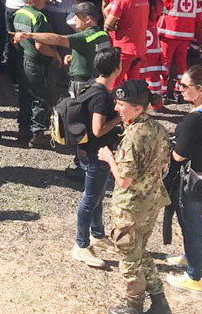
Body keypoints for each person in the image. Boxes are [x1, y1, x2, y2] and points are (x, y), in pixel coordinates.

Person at [98, 80, 172, 314]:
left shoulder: (133, 137)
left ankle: (133, 306)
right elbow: (164, 164)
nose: (116, 108)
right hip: (151, 202)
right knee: (138, 250)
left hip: (131, 207)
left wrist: (109, 158)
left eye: (121, 105)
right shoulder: (158, 128)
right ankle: (159, 301)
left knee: (129, 258)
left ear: (138, 108)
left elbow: (123, 180)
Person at [164, 66, 202, 295]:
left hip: (188, 178)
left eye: (184, 86)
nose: (179, 89)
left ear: (201, 90)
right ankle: (190, 256)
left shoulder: (193, 118)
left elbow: (179, 156)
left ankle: (194, 276)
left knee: (191, 224)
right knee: (191, 219)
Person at [70, 48, 122, 269]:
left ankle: (97, 235)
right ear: (116, 69)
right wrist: (119, 118)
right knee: (90, 199)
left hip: (87, 151)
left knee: (98, 195)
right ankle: (81, 245)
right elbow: (98, 129)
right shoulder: (101, 96)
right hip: (96, 154)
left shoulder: (92, 85)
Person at [12, 0, 61, 148]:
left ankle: (23, 129)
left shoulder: (18, 14)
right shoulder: (38, 17)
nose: (45, 0)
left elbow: (15, 40)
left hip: (23, 59)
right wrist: (55, 54)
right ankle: (38, 133)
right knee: (41, 97)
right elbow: (41, 46)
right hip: (36, 62)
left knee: (25, 95)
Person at [159, 0, 200, 101]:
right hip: (186, 36)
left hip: (169, 35)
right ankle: (180, 90)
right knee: (182, 63)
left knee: (165, 62)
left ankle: (163, 91)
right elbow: (199, 16)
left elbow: (158, 8)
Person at [105, 0, 149, 84]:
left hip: (123, 48)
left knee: (114, 82)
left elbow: (107, 24)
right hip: (139, 48)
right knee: (133, 83)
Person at [133, 0, 164, 106]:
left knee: (138, 70)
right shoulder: (157, 2)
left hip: (140, 35)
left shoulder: (137, 0)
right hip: (153, 37)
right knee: (154, 72)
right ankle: (157, 102)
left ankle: (139, 102)